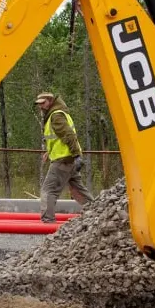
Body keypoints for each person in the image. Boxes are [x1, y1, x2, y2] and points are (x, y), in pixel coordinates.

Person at [34, 91, 92, 223]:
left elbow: (68, 135)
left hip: (63, 160)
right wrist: (49, 152)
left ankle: (47, 222)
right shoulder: (59, 113)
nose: (41, 106)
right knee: (78, 189)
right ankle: (97, 212)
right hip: (69, 159)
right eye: (39, 104)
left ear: (50, 101)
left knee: (48, 191)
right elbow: (59, 138)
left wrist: (77, 155)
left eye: (43, 103)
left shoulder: (56, 116)